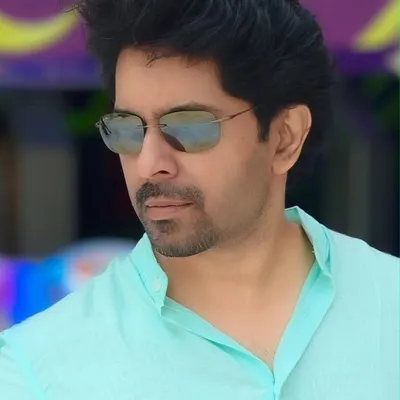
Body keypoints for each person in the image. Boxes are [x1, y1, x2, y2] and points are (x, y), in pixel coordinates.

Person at [0, 0, 398, 399]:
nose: (149, 164)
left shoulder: (388, 305)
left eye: (188, 127)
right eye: (127, 129)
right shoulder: (35, 371)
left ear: (284, 138)